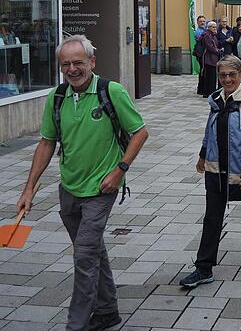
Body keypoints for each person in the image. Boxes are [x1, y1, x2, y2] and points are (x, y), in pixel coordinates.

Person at [18, 35, 149, 331]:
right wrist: (28, 189)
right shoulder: (58, 96)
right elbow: (46, 143)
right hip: (69, 188)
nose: (72, 69)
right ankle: (107, 311)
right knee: (91, 251)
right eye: (66, 64)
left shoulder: (110, 92)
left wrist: (119, 171)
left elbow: (140, 132)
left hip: (102, 188)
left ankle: (75, 325)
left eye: (78, 62)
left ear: (92, 61)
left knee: (84, 256)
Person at [181, 56, 241, 288]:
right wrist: (203, 154)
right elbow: (210, 129)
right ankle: (204, 268)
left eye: (231, 74)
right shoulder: (216, 100)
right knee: (212, 218)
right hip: (216, 170)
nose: (227, 79)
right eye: (223, 75)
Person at [200, 21, 223, 97]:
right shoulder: (207, 35)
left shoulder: (213, 35)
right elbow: (210, 47)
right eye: (213, 27)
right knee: (210, 76)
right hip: (209, 58)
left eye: (215, 27)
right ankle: (209, 92)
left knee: (212, 76)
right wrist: (218, 51)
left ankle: (210, 91)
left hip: (213, 58)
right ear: (209, 28)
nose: (214, 28)